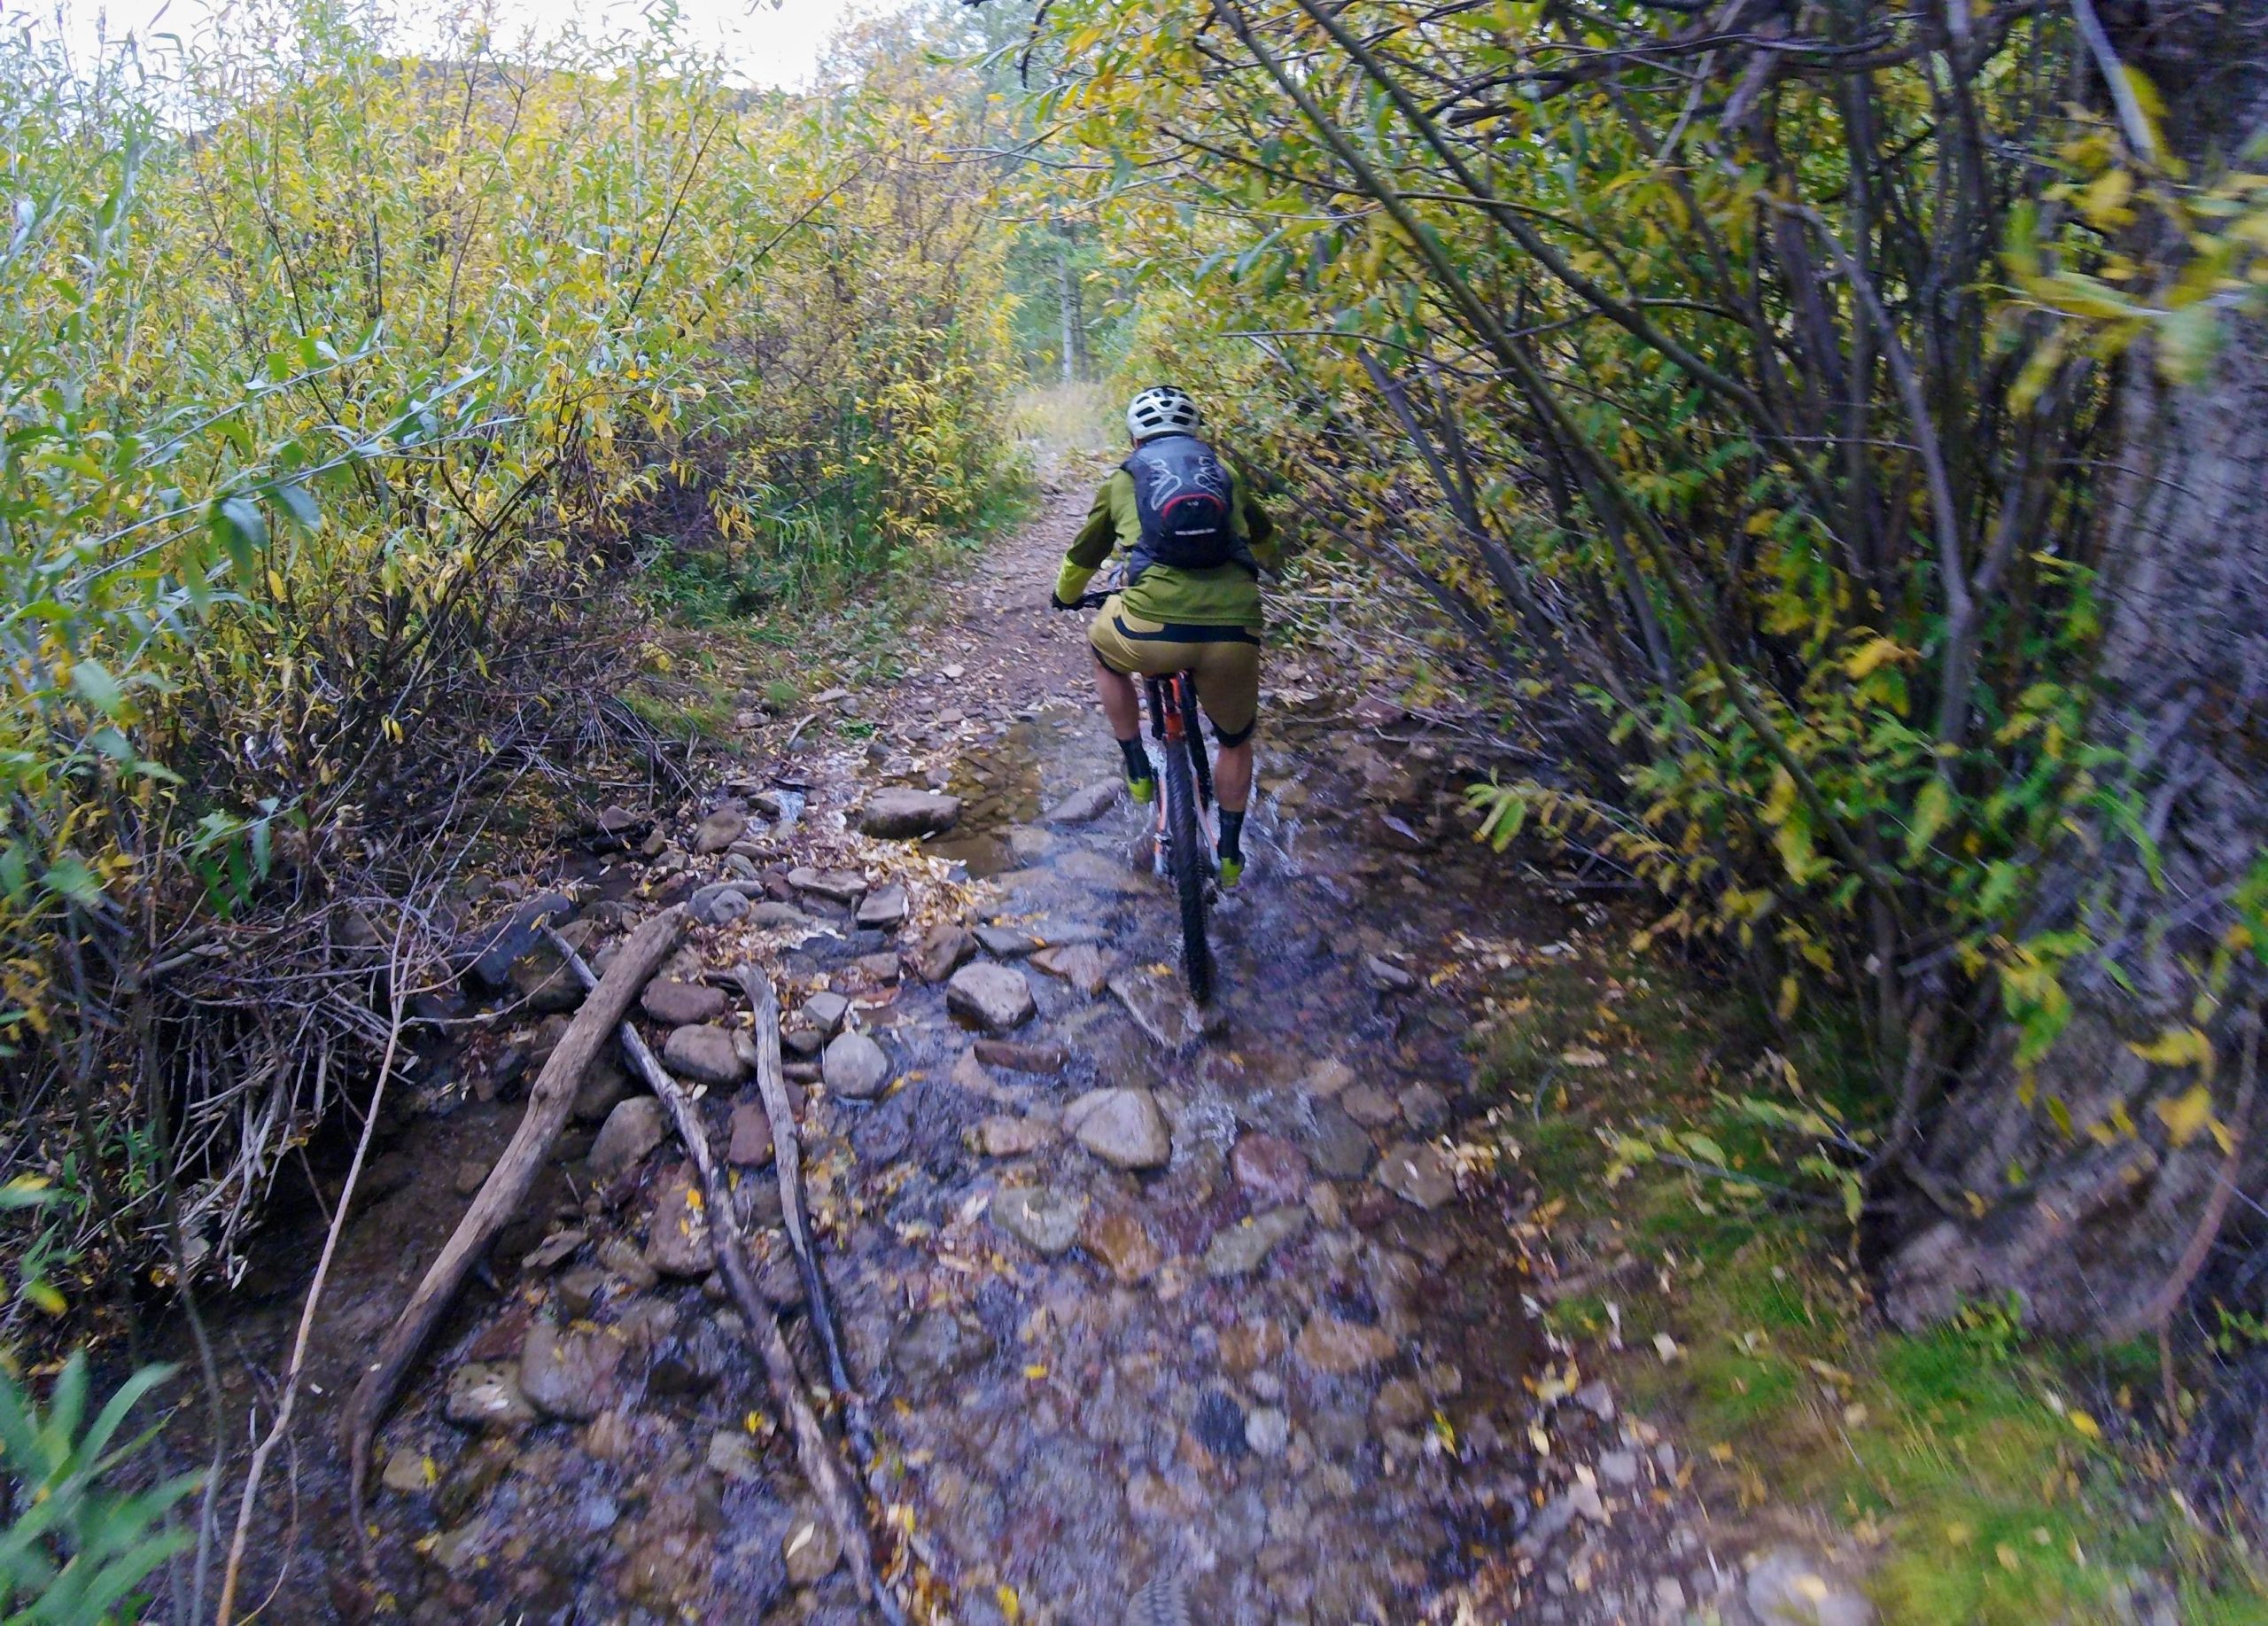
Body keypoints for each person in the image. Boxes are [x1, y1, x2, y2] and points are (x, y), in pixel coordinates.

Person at [1051, 385, 1280, 887]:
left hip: (1151, 631)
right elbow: (1266, 542)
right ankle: (1231, 853)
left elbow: (1085, 554)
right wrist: (1270, 567)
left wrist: (1066, 595)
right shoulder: (1226, 474)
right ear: (1196, 434)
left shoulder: (1123, 479)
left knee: (1103, 648)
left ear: (1134, 440)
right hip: (1233, 634)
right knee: (1235, 740)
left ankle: (1135, 762)